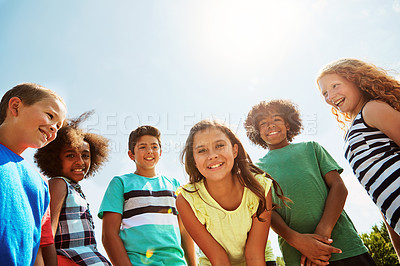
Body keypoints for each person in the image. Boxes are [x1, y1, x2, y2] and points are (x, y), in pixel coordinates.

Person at [244, 99, 375, 266]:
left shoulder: (311, 148)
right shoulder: (256, 170)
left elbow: (339, 188)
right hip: (299, 256)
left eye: (276, 119)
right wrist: (298, 241)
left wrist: (323, 234)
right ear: (257, 132)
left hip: (343, 244)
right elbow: (267, 212)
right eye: (263, 123)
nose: (270, 125)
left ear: (288, 125)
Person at [317, 58, 400, 260]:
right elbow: (378, 193)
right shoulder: (352, 132)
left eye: (335, 86)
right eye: (325, 93)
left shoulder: (372, 109)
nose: (330, 96)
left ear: (356, 80)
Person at [177, 120, 289, 266]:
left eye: (219, 146)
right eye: (202, 150)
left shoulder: (258, 187)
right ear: (194, 160)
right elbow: (218, 259)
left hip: (260, 259)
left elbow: (254, 254)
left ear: (234, 150)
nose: (212, 155)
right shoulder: (186, 200)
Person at [98, 125, 196, 266]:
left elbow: (185, 231)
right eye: (142, 147)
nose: (149, 151)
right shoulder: (120, 183)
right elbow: (109, 235)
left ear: (160, 152)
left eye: (154, 147)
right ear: (131, 154)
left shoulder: (175, 185)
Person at [0, 83, 67, 266]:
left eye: (58, 126)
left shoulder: (40, 183)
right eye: (50, 116)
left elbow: (37, 247)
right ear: (15, 106)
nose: (54, 129)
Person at [34, 111, 111, 266]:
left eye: (85, 155)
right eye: (70, 155)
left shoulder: (75, 189)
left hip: (87, 256)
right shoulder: (58, 184)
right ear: (55, 159)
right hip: (68, 258)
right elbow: (48, 231)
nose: (80, 162)